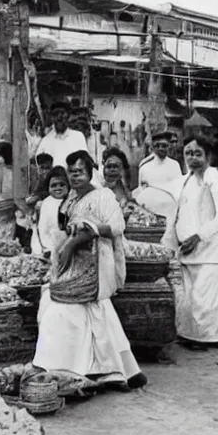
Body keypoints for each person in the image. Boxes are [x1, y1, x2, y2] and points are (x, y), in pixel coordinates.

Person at [34, 151, 145, 389]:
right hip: (74, 263)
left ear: (90, 172)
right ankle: (90, 370)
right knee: (77, 311)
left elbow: (116, 226)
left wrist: (85, 232)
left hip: (96, 262)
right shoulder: (72, 198)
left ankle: (100, 371)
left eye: (80, 171)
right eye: (71, 171)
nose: (75, 176)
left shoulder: (102, 195)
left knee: (75, 308)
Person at [167, 138, 218, 350]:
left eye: (197, 153)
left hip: (212, 247)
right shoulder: (183, 181)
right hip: (188, 248)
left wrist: (198, 236)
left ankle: (212, 338)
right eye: (188, 153)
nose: (192, 158)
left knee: (206, 297)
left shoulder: (215, 178)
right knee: (189, 296)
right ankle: (192, 335)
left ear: (208, 156)